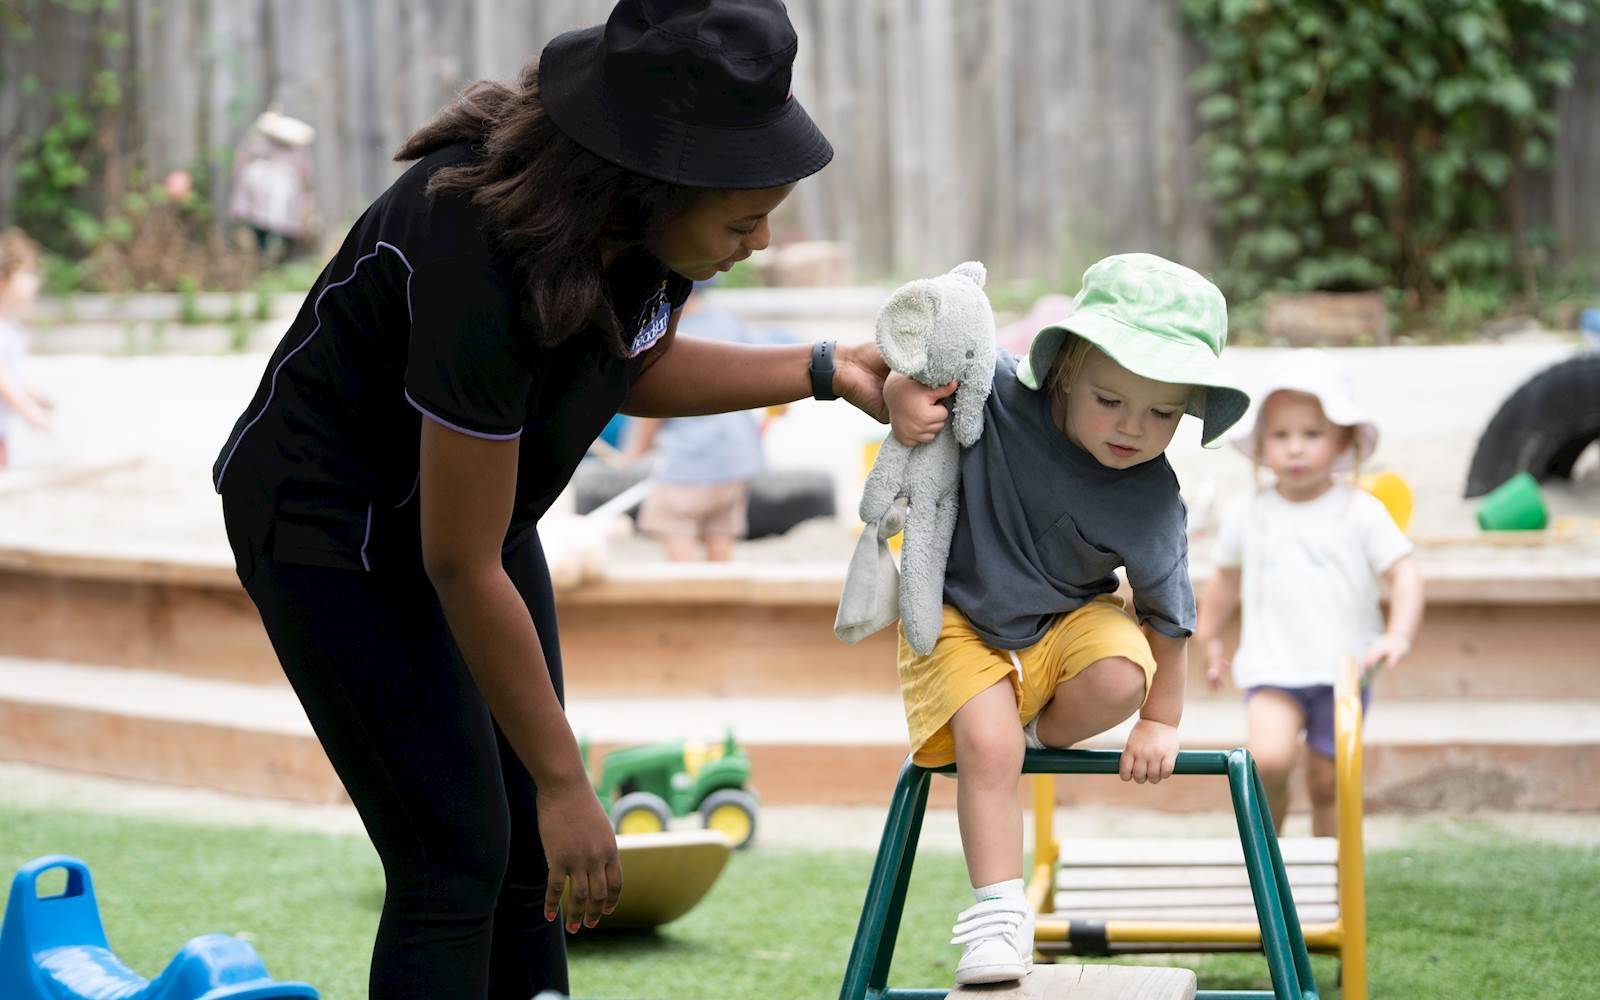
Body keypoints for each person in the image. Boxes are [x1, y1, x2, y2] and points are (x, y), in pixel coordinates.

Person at [211, 3, 889, 996]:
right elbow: (455, 560)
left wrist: (825, 367)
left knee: (529, 848)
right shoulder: (476, 246)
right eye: (745, 219)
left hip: (473, 524)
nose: (761, 240)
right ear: (654, 182)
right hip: (335, 532)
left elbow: (625, 368)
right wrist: (568, 783)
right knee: (456, 857)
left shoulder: (640, 230)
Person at [884, 253, 1249, 986]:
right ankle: (997, 914)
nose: (1133, 429)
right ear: (1065, 371)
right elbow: (909, 365)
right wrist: (899, 389)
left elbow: (1167, 615)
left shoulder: (1149, 498)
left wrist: (1162, 721)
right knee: (986, 746)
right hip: (960, 612)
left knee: (1121, 681)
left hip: (1072, 613)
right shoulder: (996, 392)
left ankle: (1022, 731)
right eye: (1111, 400)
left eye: (1163, 413)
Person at [1197, 349, 1424, 837]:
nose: (1295, 448)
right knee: (1269, 763)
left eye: (1312, 434)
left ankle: (1330, 874)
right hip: (1273, 667)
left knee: (1329, 782)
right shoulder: (1248, 512)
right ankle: (1269, 863)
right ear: (1260, 444)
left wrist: (1398, 636)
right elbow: (1225, 580)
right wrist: (1210, 636)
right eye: (1280, 435)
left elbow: (1404, 573)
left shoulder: (1359, 511)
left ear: (1341, 441)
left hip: (1345, 671)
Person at [625, 287, 769, 561]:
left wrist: (636, 451)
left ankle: (692, 598)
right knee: (719, 530)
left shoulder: (663, 335)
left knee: (673, 523)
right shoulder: (727, 321)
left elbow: (656, 403)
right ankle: (720, 598)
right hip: (738, 459)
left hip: (691, 462)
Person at [227, 103, 317, 260]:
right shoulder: (256, 145)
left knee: (282, 234)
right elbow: (241, 165)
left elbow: (305, 176)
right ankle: (260, 259)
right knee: (257, 231)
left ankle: (274, 260)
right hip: (258, 201)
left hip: (283, 201)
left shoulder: (296, 152)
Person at [0, 228, 53, 468]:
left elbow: (12, 373)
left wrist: (33, 392)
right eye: (27, 273)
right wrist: (28, 410)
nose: (35, 281)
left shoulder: (12, 327)